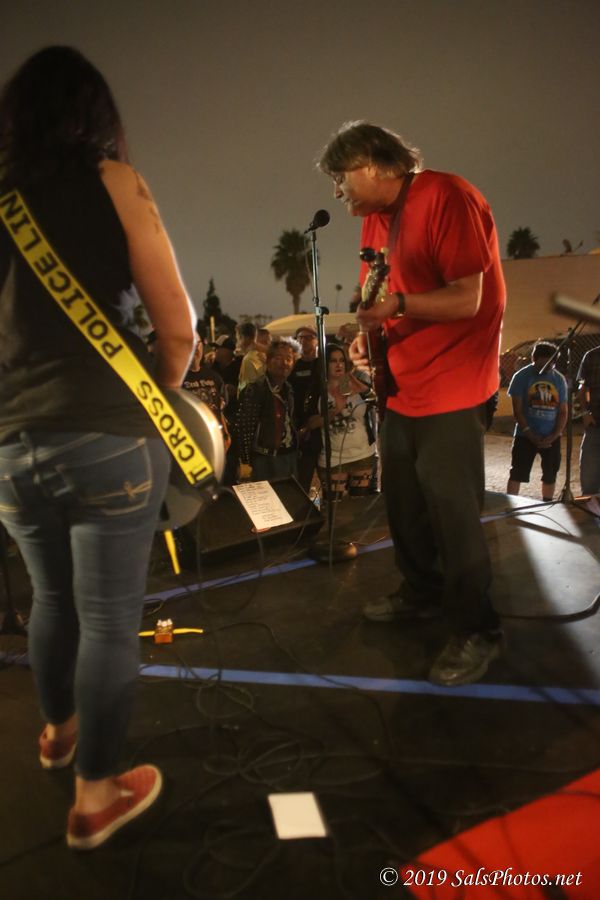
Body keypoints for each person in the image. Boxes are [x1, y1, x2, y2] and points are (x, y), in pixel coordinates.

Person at [0, 47, 196, 848]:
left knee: (49, 600)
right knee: (111, 619)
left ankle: (59, 734)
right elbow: (177, 330)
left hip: (11, 446)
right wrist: (157, 400)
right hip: (109, 435)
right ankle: (95, 795)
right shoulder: (116, 182)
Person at [318, 121, 505, 686]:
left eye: (341, 177)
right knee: (403, 504)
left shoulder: (448, 196)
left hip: (453, 383)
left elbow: (467, 298)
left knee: (453, 515)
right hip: (403, 384)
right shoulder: (376, 216)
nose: (337, 191)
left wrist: (396, 305)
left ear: (378, 164)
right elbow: (378, 293)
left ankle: (477, 629)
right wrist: (367, 334)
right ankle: (422, 593)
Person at [305, 342, 376, 500]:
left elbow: (376, 401)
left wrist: (360, 386)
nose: (338, 365)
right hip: (333, 457)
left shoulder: (351, 384)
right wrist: (335, 410)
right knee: (335, 503)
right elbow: (311, 423)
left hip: (362, 453)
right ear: (325, 364)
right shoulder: (319, 390)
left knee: (359, 503)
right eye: (333, 361)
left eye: (341, 360)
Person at [506, 342, 567, 501]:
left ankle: (546, 504)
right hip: (525, 436)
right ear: (534, 358)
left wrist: (554, 435)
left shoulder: (559, 380)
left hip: (551, 436)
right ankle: (510, 505)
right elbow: (517, 410)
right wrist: (529, 433)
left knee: (550, 474)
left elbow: (563, 412)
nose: (547, 367)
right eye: (542, 363)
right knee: (517, 472)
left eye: (550, 364)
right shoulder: (521, 377)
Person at [237, 338, 299, 481]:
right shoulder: (256, 389)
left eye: (288, 359)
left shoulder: (288, 388)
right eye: (278, 358)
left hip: (288, 456)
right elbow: (244, 429)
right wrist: (245, 462)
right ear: (268, 360)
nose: (284, 363)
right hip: (265, 459)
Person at [288, 324, 320, 492]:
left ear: (317, 340)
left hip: (323, 428)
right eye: (300, 338)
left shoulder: (323, 364)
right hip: (301, 431)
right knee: (302, 483)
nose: (304, 341)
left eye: (309, 337)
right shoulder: (292, 367)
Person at [577, 345, 600, 510]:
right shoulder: (592, 355)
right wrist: (585, 412)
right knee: (589, 477)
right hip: (595, 424)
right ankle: (590, 517)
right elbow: (582, 387)